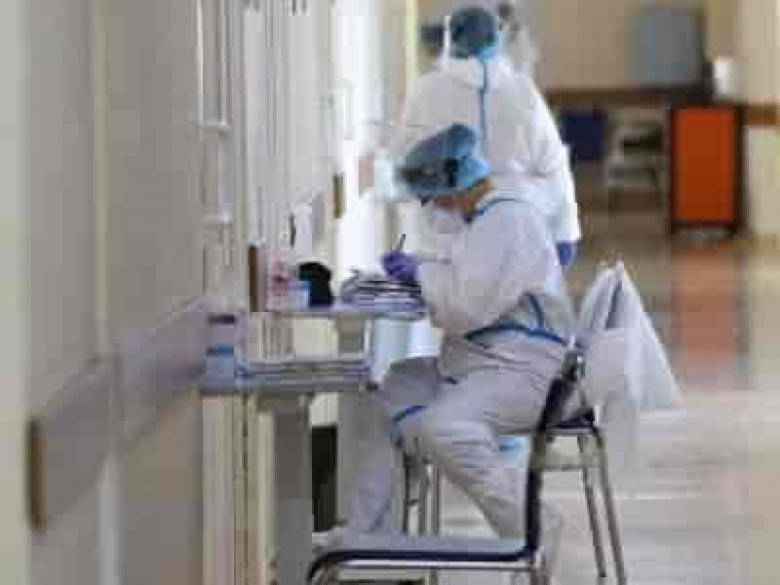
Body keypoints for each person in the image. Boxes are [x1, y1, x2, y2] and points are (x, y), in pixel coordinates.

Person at [319, 123, 575, 545]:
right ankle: (370, 538)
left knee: (445, 428)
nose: (430, 208)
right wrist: (425, 269)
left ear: (453, 185)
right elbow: (470, 282)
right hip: (489, 360)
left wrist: (421, 272)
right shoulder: (485, 219)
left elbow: (465, 308)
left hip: (522, 370)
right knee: (387, 396)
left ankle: (533, 530)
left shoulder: (505, 221)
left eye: (431, 198)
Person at [392, 5, 580, 268]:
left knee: (456, 290)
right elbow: (554, 167)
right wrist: (565, 232)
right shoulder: (522, 91)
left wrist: (432, 195)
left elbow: (404, 169)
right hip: (516, 233)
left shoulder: (426, 91)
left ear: (451, 39)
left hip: (448, 238)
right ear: (497, 39)